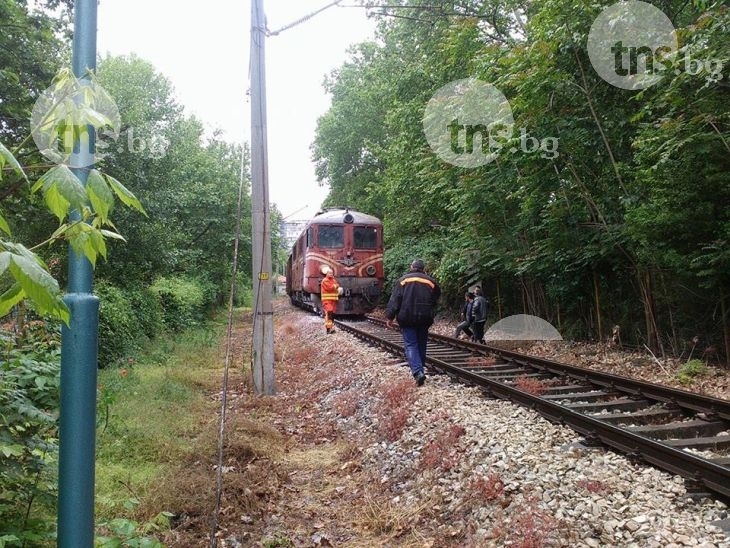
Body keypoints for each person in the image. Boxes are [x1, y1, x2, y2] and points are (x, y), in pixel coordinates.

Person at [385, 259, 441, 386]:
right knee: (421, 343)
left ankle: (417, 371)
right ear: (424, 269)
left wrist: (390, 317)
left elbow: (395, 300)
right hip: (425, 317)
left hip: (407, 317)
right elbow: (436, 297)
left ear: (411, 267)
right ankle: (419, 369)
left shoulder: (403, 281)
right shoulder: (431, 282)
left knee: (411, 344)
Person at [320, 267, 341, 334]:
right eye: (329, 273)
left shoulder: (333, 280)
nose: (331, 274)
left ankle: (331, 328)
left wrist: (336, 286)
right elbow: (330, 288)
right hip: (327, 300)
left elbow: (336, 285)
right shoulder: (325, 280)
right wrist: (336, 286)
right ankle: (328, 329)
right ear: (327, 273)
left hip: (333, 300)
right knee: (329, 313)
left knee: (332, 314)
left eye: (332, 273)